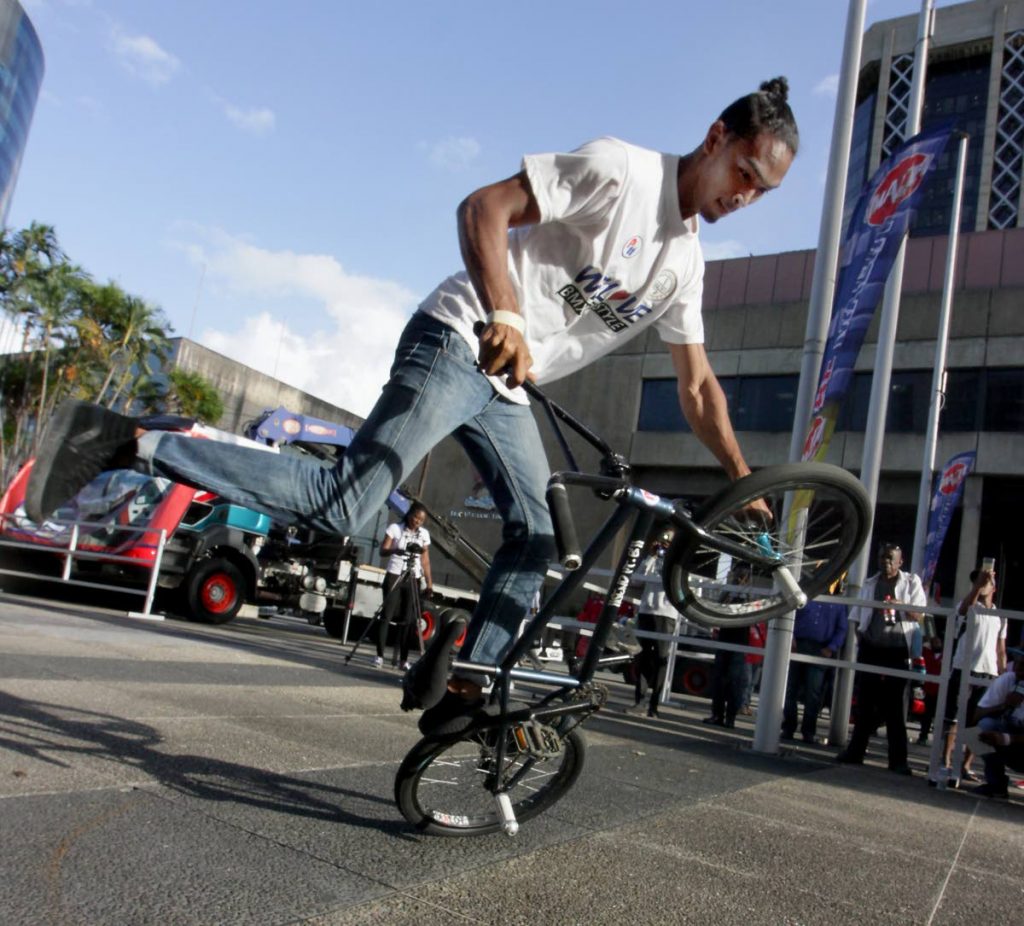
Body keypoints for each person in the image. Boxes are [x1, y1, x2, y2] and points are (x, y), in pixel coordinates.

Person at [23, 79, 799, 730]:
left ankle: (467, 686)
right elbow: (482, 209)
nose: (745, 196)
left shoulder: (684, 264)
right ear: (716, 136)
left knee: (535, 538)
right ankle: (131, 442)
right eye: (745, 172)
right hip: (460, 335)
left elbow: (697, 389)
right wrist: (508, 313)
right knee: (345, 508)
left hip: (507, 387)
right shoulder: (620, 171)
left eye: (762, 192)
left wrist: (746, 481)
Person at [836, 543, 926, 775]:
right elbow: (857, 617)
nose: (885, 561)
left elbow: (919, 615)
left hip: (897, 650)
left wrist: (901, 606)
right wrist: (861, 640)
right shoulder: (870, 583)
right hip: (872, 647)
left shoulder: (911, 582)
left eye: (890, 558)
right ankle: (856, 751)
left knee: (895, 707)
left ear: (900, 561)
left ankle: (898, 760)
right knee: (864, 702)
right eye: (881, 556)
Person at [941, 566, 1006, 783]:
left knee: (979, 720)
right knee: (955, 718)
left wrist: (1002, 673)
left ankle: (966, 765)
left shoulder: (1000, 615)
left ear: (994, 587)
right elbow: (962, 611)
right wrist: (978, 585)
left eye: (986, 582)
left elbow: (1000, 648)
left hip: (987, 672)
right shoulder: (970, 605)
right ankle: (945, 761)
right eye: (978, 581)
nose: (982, 584)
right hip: (963, 667)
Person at [782, 582, 848, 744]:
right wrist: (791, 638)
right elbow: (791, 615)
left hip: (820, 649)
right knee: (790, 689)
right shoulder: (805, 596)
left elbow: (842, 629)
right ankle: (788, 727)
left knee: (813, 693)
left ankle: (808, 731)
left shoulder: (839, 604)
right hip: (799, 645)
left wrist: (831, 648)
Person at [625, 532, 678, 718]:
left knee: (661, 660)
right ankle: (640, 701)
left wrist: (670, 556)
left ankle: (654, 706)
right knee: (642, 657)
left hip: (667, 615)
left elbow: (675, 585)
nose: (664, 546)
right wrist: (651, 555)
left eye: (668, 543)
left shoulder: (678, 563)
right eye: (663, 542)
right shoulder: (653, 560)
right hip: (647, 612)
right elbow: (636, 580)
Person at [376, 503, 433, 669]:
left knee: (408, 620)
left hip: (413, 576)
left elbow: (425, 560)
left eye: (421, 520)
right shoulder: (395, 528)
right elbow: (382, 550)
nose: (417, 521)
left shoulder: (423, 534)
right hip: (395, 573)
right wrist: (396, 551)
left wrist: (429, 583)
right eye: (415, 517)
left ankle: (404, 659)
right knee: (386, 615)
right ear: (409, 515)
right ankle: (379, 656)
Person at [702, 562, 753, 729]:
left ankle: (730, 717)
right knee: (719, 679)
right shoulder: (728, 590)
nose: (739, 577)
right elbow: (720, 606)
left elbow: (753, 611)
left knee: (735, 681)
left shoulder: (751, 593)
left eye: (742, 574)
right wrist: (731, 590)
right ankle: (717, 714)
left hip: (741, 639)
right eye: (738, 573)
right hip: (726, 636)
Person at [970, 646, 1024, 799]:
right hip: (1010, 739)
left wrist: (1006, 739)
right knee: (981, 729)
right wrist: (1004, 705)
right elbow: (976, 717)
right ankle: (996, 784)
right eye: (1018, 664)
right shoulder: (1007, 680)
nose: (1020, 670)